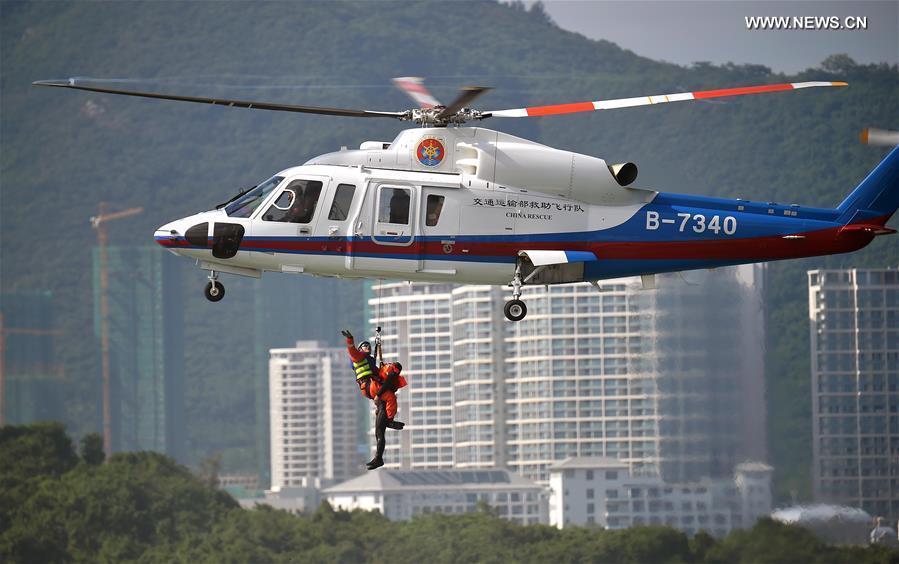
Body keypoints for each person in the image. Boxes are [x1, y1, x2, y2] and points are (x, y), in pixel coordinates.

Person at [341, 330, 407, 470]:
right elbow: (352, 350)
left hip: (373, 390)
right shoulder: (358, 357)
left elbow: (380, 373)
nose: (368, 347)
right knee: (390, 397)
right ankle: (390, 420)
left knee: (379, 432)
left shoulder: (371, 363)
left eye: (369, 346)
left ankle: (378, 458)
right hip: (370, 387)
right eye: (365, 346)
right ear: (360, 349)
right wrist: (350, 339)